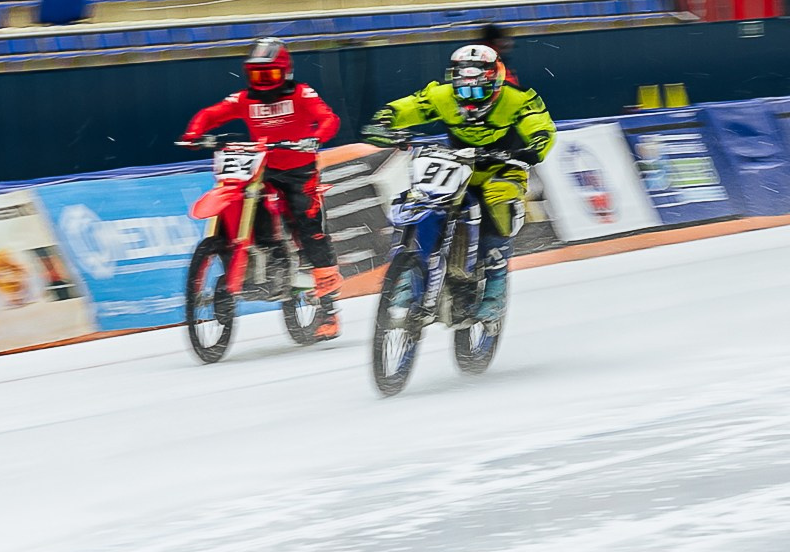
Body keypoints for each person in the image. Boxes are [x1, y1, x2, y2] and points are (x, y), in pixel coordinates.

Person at [362, 43, 556, 322]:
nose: (470, 98)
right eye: (463, 90)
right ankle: (406, 269)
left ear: (495, 83)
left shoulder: (519, 100)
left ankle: (495, 285)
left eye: (477, 90)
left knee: (498, 202)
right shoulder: (441, 95)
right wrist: (384, 122)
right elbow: (410, 106)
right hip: (455, 163)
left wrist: (534, 147)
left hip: (502, 166)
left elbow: (541, 126)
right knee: (418, 197)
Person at [178, 38, 345, 340]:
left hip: (298, 169)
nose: (262, 82)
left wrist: (316, 138)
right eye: (256, 75)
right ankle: (252, 256)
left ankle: (328, 309)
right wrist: (193, 133)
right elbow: (210, 114)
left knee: (307, 224)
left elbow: (329, 118)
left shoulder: (302, 93)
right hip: (259, 167)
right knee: (243, 205)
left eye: (268, 75)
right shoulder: (244, 99)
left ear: (285, 73)